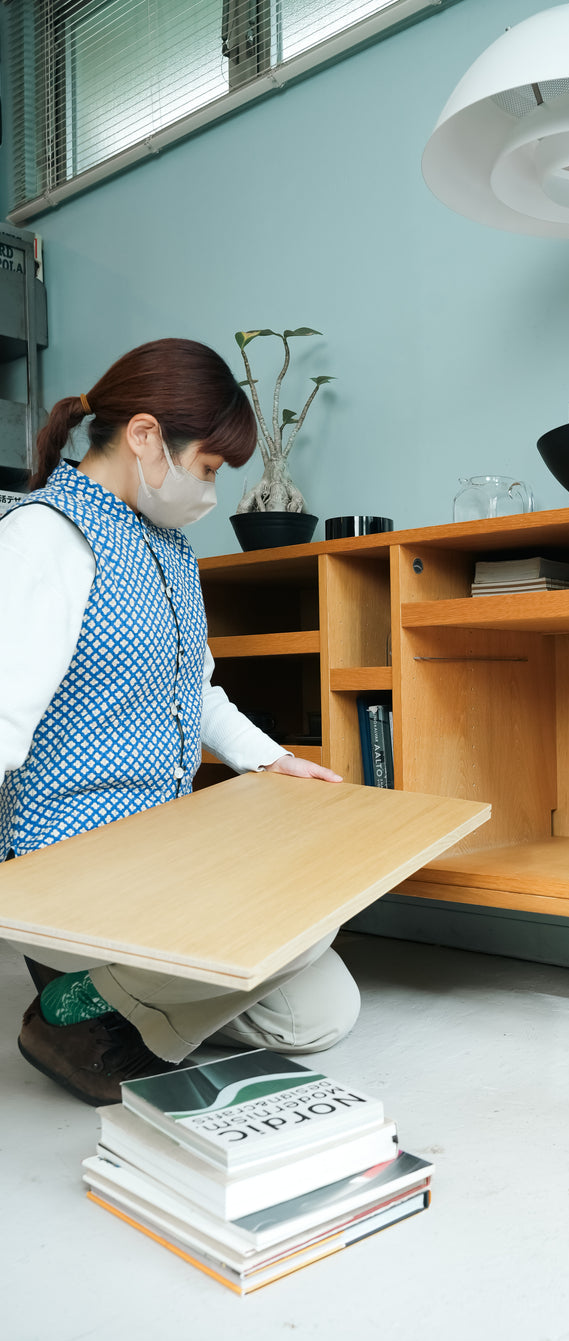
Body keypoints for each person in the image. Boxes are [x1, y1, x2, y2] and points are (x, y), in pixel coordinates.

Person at [0, 338, 361, 1105]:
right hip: (69, 861)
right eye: (207, 469)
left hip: (162, 850)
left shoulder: (167, 546)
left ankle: (116, 1003)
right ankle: (74, 1007)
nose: (210, 492)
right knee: (299, 915)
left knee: (320, 1013)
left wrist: (268, 761)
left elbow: (192, 690)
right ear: (143, 437)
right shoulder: (43, 537)